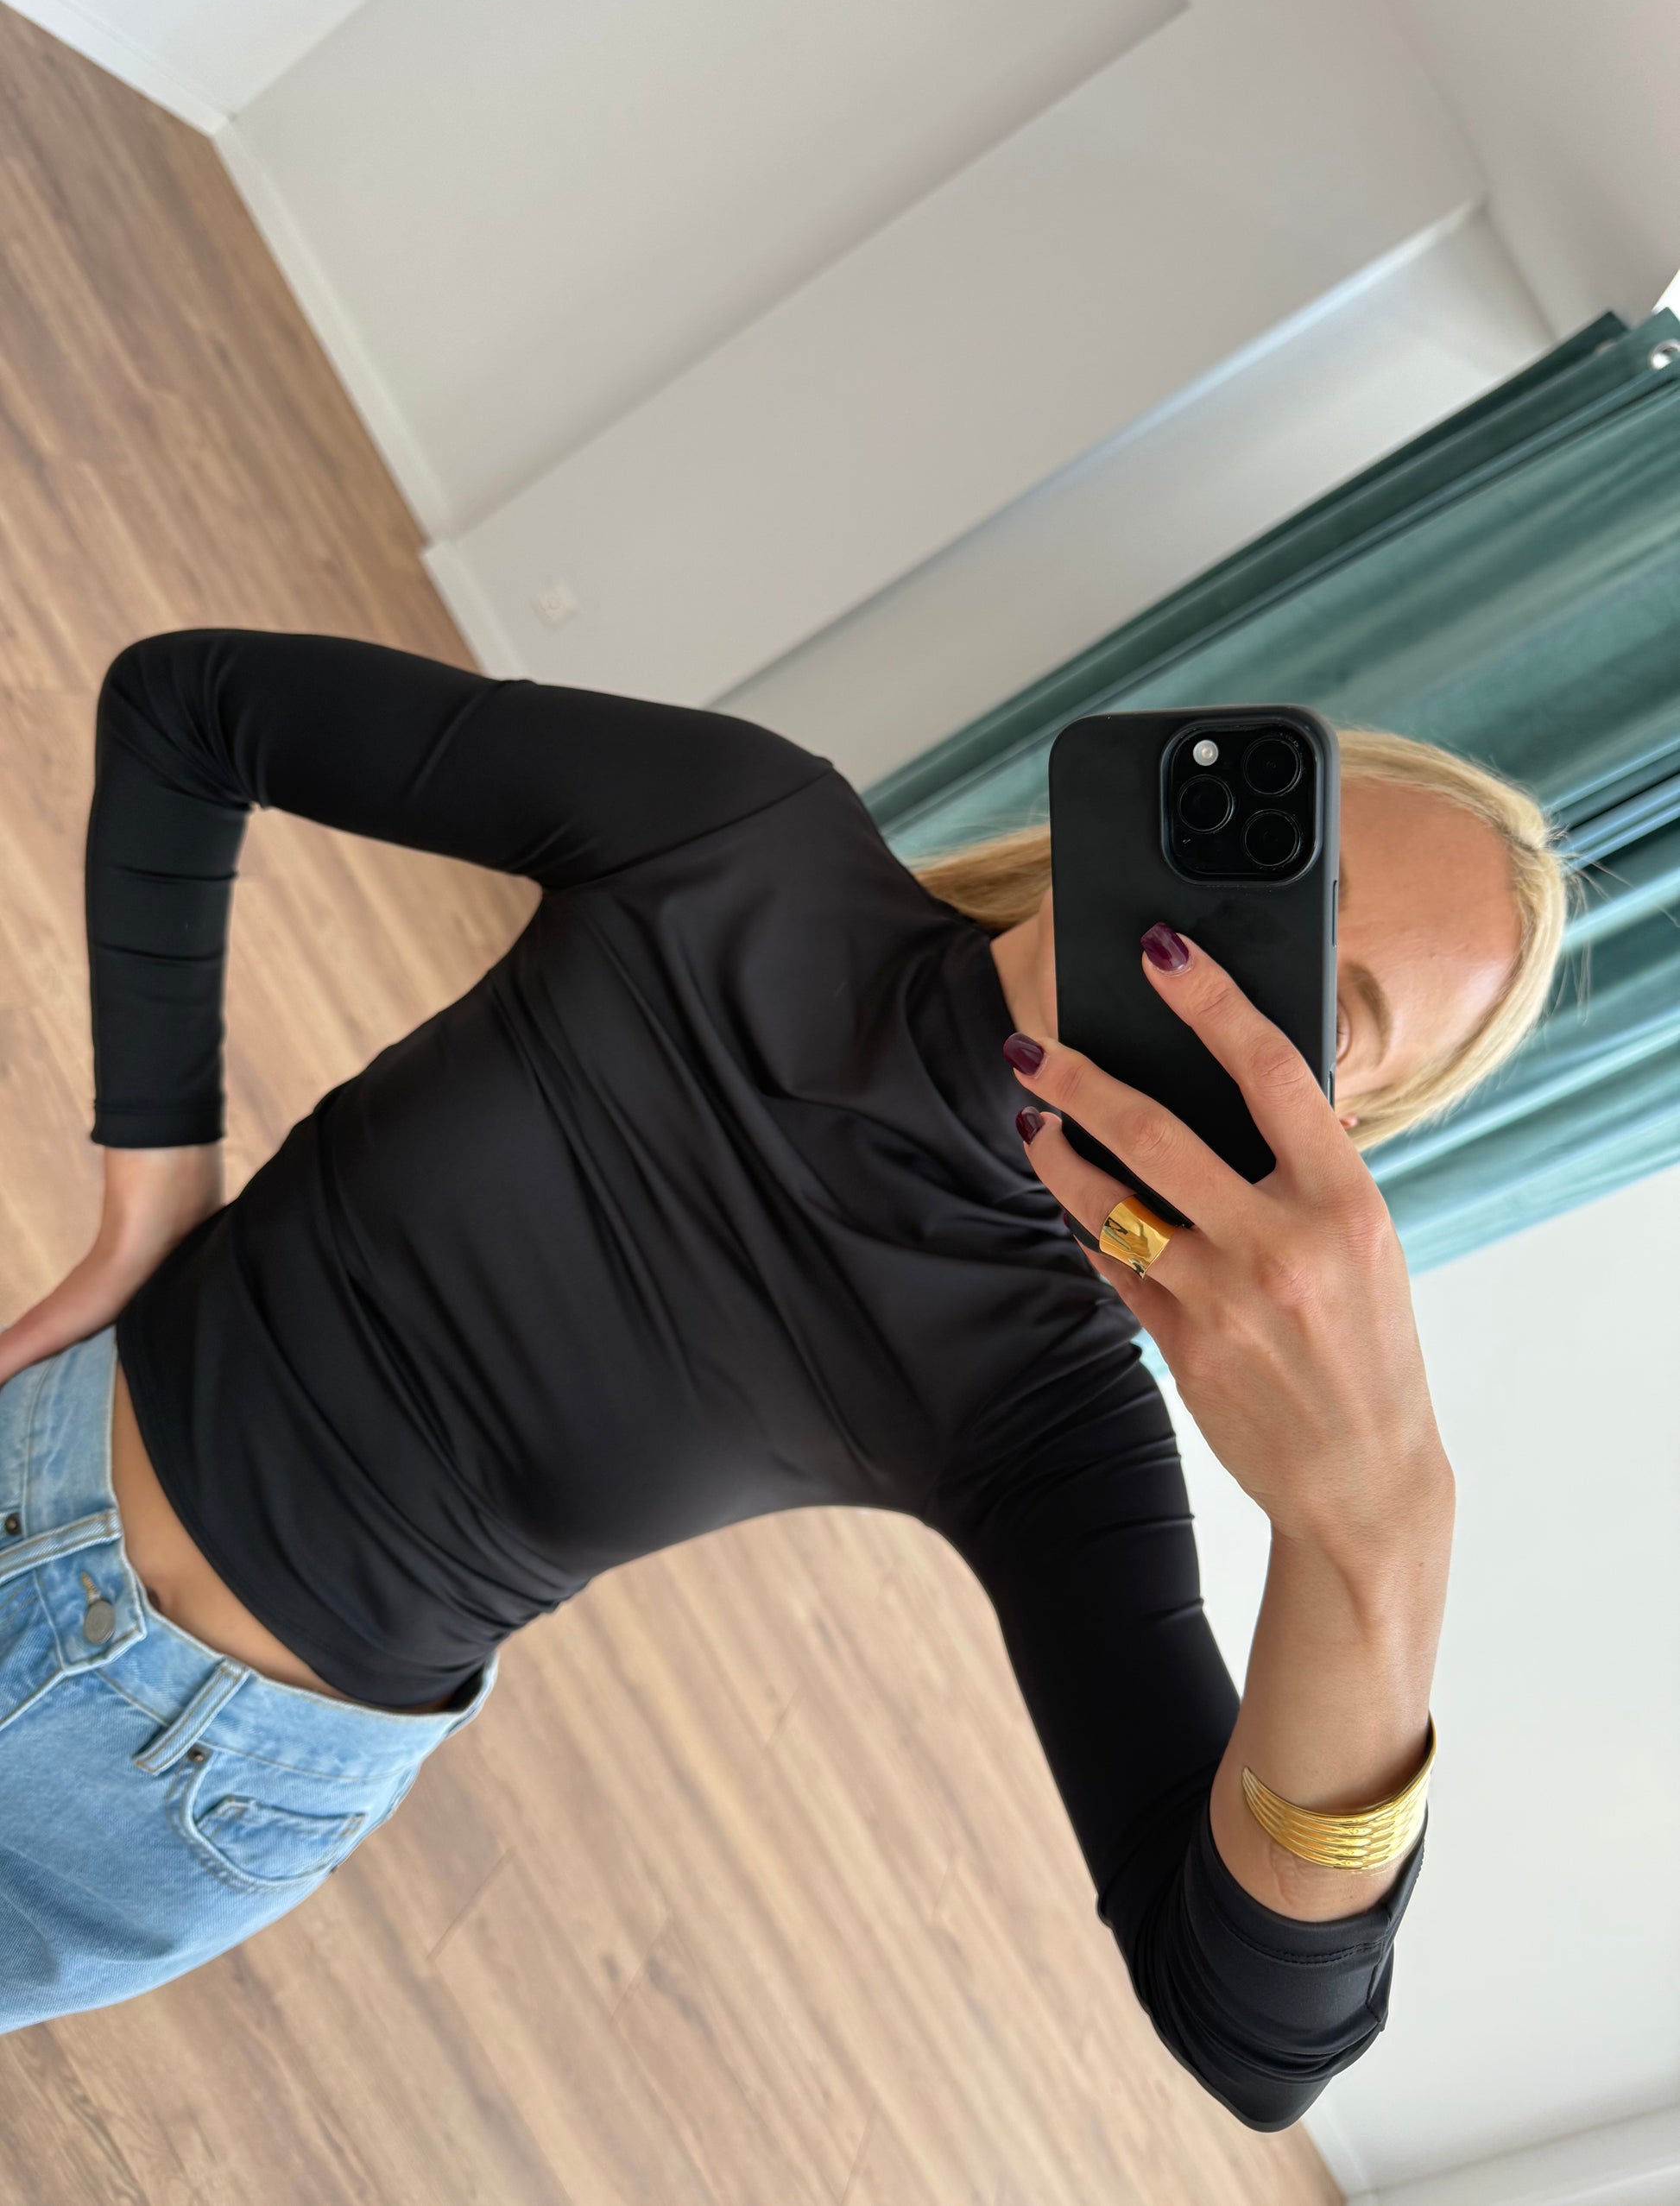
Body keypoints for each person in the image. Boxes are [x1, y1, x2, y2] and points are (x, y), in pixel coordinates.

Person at [0, 631, 1567, 2130]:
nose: (1233, 956)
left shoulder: (1045, 1398)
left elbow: (1250, 2037)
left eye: (1323, 1008)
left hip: (161, 1792)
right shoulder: (734, 826)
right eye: (1294, 877)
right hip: (36, 1455)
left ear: (1327, 1129)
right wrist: (150, 1203)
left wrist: (1382, 1532)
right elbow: (190, 708)